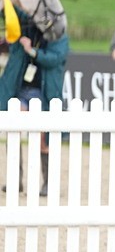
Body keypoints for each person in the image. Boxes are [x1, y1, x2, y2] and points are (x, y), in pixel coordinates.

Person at [0, 11, 69, 196]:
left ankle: (48, 182)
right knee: (14, 131)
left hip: (43, 93)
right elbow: (11, 18)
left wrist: (33, 51)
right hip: (22, 90)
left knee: (42, 140)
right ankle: (15, 180)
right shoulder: (27, 30)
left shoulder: (59, 36)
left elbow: (55, 58)